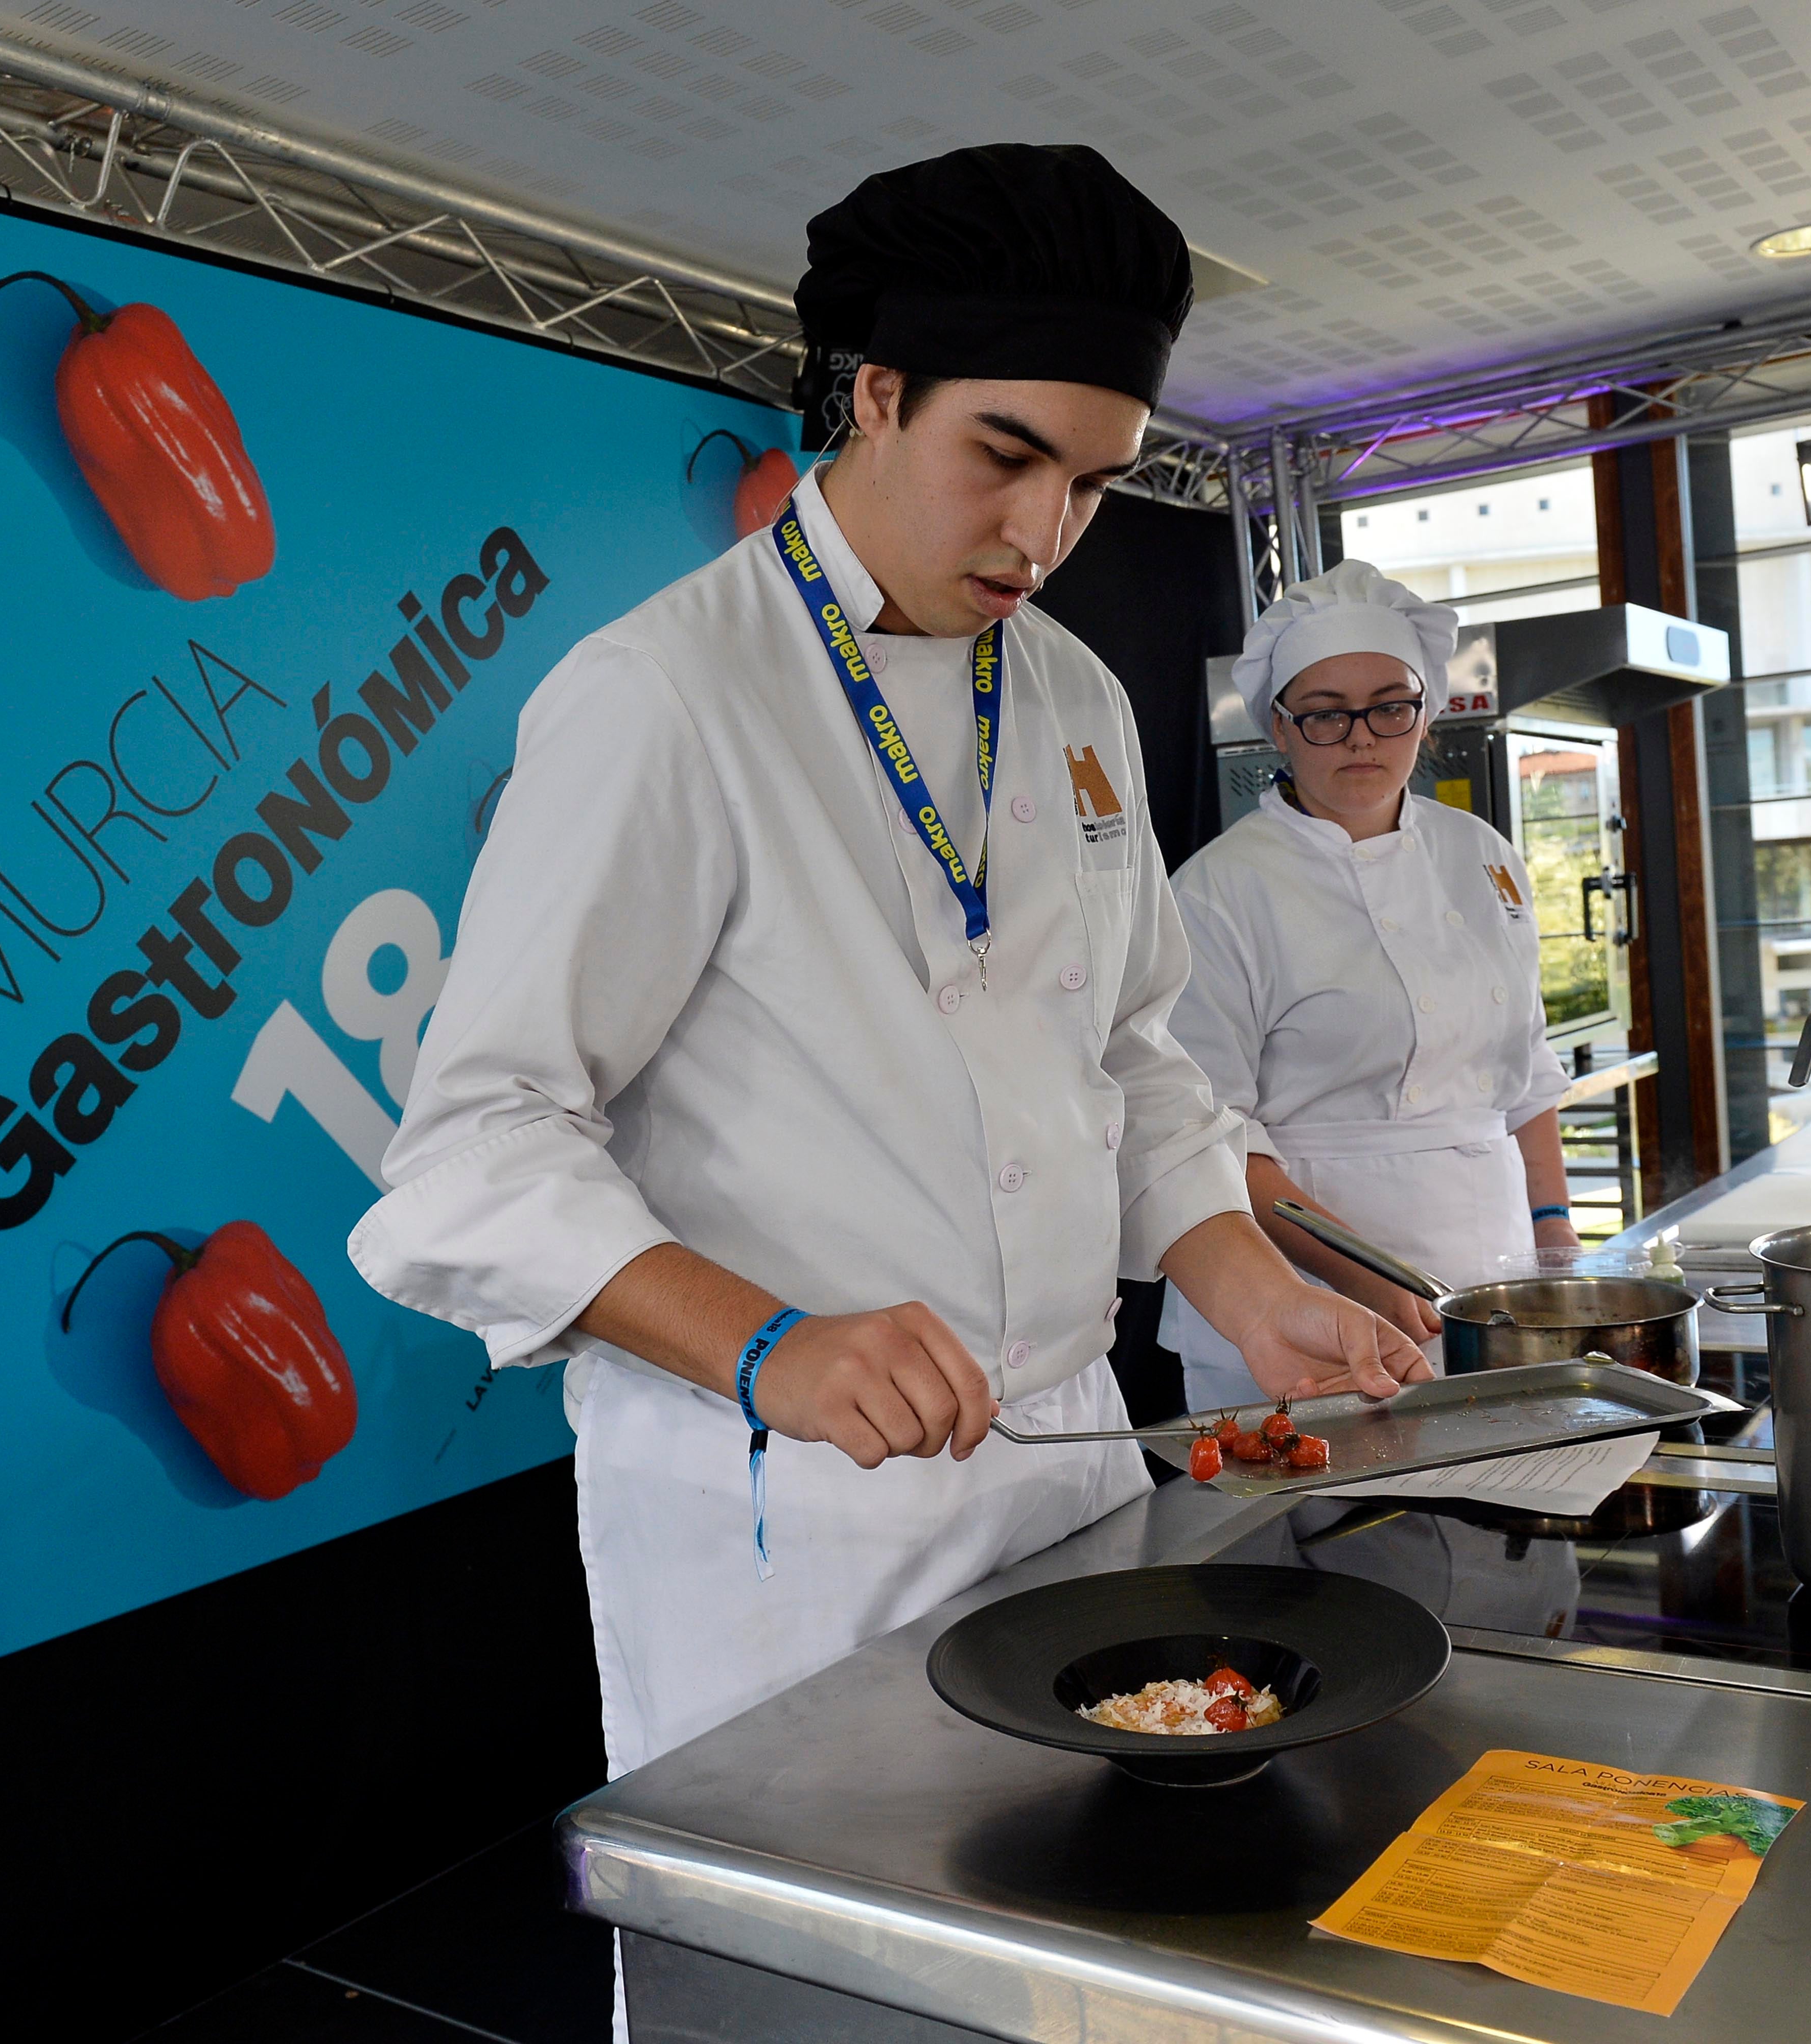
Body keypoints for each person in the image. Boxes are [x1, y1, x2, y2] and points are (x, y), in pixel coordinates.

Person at [347, 145, 1424, 1792]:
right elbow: (472, 1155)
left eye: (1093, 481)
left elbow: (1130, 1055)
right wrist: (769, 1340)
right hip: (787, 1511)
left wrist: (1249, 1286)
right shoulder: (667, 697)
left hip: (1071, 1467)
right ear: (875, 392)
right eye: (1006, 456)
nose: (1042, 529)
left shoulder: (1070, 695)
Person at [1157, 562, 1579, 1413]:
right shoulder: (1216, 893)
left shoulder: (1484, 854)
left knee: (1508, 1520)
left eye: (1391, 706)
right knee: (1332, 1534)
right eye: (1325, 714)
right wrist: (1377, 1285)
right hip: (1299, 1295)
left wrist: (1552, 1232)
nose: (1362, 737)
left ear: (1425, 719)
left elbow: (1525, 1072)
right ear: (1278, 728)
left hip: (1487, 1276)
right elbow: (1213, 1141)